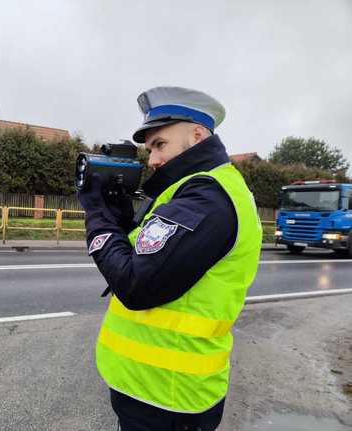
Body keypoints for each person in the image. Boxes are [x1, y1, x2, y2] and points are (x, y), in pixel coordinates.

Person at [78, 86, 262, 431]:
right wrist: (119, 218)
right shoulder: (189, 189)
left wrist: (97, 216)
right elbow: (148, 255)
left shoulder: (207, 195)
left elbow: (136, 285)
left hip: (169, 399)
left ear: (196, 135)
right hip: (152, 389)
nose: (152, 160)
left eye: (160, 144)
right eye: (150, 149)